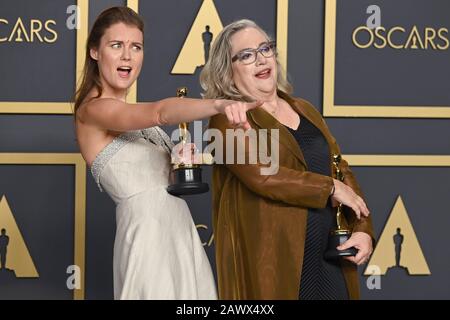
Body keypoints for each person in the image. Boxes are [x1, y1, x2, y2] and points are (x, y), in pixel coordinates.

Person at [74, 7, 260, 300]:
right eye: (116, 45)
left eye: (136, 47)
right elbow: (161, 113)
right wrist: (219, 105)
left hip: (178, 229)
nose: (127, 56)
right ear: (95, 52)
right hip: (146, 236)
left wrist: (181, 159)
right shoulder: (92, 110)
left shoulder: (132, 114)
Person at [200, 19, 375, 300]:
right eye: (246, 55)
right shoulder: (225, 120)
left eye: (265, 49)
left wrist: (363, 230)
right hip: (276, 268)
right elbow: (263, 176)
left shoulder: (304, 108)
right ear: (227, 71)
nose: (260, 60)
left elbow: (341, 169)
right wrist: (328, 187)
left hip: (332, 258)